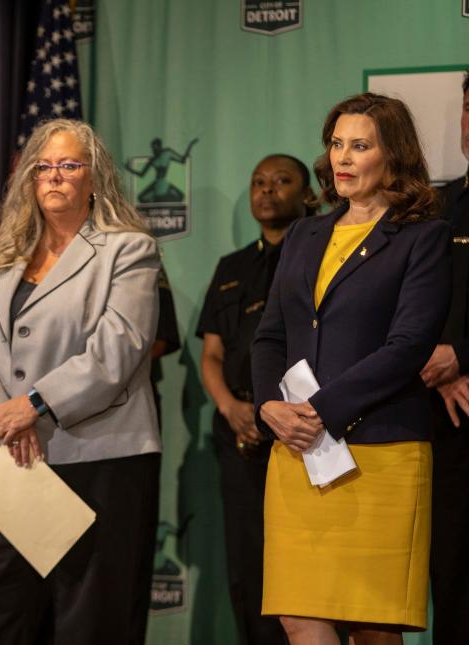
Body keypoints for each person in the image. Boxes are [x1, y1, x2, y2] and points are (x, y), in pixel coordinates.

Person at [251, 93, 451, 644]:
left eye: (359, 146)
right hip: (296, 451)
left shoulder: (422, 237)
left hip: (380, 453)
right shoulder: (304, 234)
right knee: (298, 615)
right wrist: (270, 405)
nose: (342, 157)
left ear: (394, 156)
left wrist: (318, 411)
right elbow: (269, 335)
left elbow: (409, 346)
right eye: (336, 144)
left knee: (373, 628)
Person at [0, 118, 161, 645]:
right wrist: (5, 415)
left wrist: (35, 406)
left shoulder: (127, 249)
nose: (55, 177)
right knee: (0, 618)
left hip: (95, 458)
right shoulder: (2, 255)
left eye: (69, 165)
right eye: (43, 167)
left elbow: (117, 349)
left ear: (95, 178)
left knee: (89, 623)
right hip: (2, 458)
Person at [198, 153, 314, 645]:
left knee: (308, 567)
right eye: (258, 182)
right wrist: (230, 407)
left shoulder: (319, 253)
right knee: (249, 562)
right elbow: (211, 355)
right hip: (241, 430)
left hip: (306, 429)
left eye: (281, 181)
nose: (267, 190)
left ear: (308, 195)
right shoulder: (232, 267)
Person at [422, 69, 469, 644]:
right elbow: (401, 312)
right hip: (447, 421)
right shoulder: (435, 208)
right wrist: (436, 373)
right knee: (453, 581)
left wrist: (462, 355)